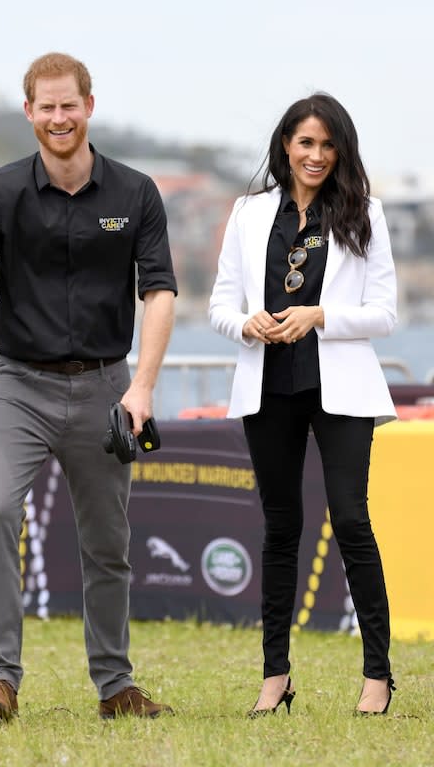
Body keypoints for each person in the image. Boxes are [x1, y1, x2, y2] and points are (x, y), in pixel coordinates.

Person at [0, 52, 177, 723]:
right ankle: (0, 681)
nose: (59, 117)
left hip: (108, 387)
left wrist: (141, 387)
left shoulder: (135, 192)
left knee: (107, 542)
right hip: (20, 383)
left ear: (89, 105)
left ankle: (116, 687)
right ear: (29, 113)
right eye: (46, 107)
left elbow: (160, 292)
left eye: (68, 105)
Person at [209, 93, 397, 717]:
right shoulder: (248, 212)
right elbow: (219, 307)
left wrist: (322, 316)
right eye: (305, 143)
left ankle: (378, 676)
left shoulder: (364, 212)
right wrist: (248, 325)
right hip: (269, 387)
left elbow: (386, 314)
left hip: (340, 386)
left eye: (327, 144)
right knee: (280, 529)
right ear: (286, 146)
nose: (316, 155)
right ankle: (275, 676)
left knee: (350, 520)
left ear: (340, 150)